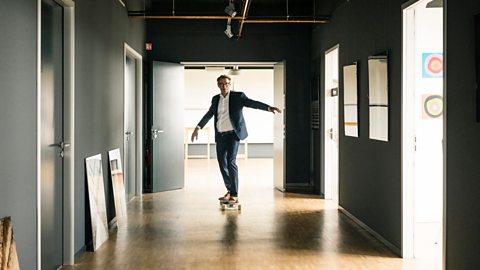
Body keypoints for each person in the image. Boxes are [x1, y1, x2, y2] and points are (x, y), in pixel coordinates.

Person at [191, 74, 281, 204]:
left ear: (230, 84)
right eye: (221, 84)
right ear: (218, 85)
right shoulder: (216, 99)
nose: (224, 86)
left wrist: (268, 107)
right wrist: (198, 127)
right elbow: (209, 114)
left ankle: (234, 194)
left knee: (230, 161)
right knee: (222, 163)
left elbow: (252, 103)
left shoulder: (238, 96)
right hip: (220, 135)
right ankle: (230, 190)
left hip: (233, 135)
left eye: (226, 83)